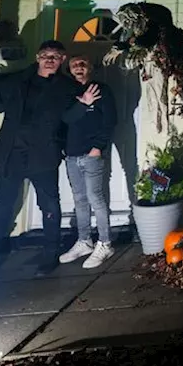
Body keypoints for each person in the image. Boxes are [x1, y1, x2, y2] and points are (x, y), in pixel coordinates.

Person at [0, 40, 93, 276]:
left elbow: (69, 118)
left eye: (56, 57)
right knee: (3, 205)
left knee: (49, 204)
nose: (50, 59)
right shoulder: (13, 80)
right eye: (46, 55)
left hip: (44, 154)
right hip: (11, 154)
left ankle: (50, 253)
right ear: (38, 57)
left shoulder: (69, 88)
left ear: (62, 61)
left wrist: (83, 105)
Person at [59, 54, 117, 268]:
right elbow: (66, 118)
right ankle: (84, 241)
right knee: (79, 199)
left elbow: (110, 121)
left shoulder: (102, 90)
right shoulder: (67, 91)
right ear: (70, 69)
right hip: (72, 155)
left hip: (92, 154)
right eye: (74, 65)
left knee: (96, 198)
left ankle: (105, 243)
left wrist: (97, 147)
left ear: (91, 68)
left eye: (83, 63)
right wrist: (83, 104)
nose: (79, 67)